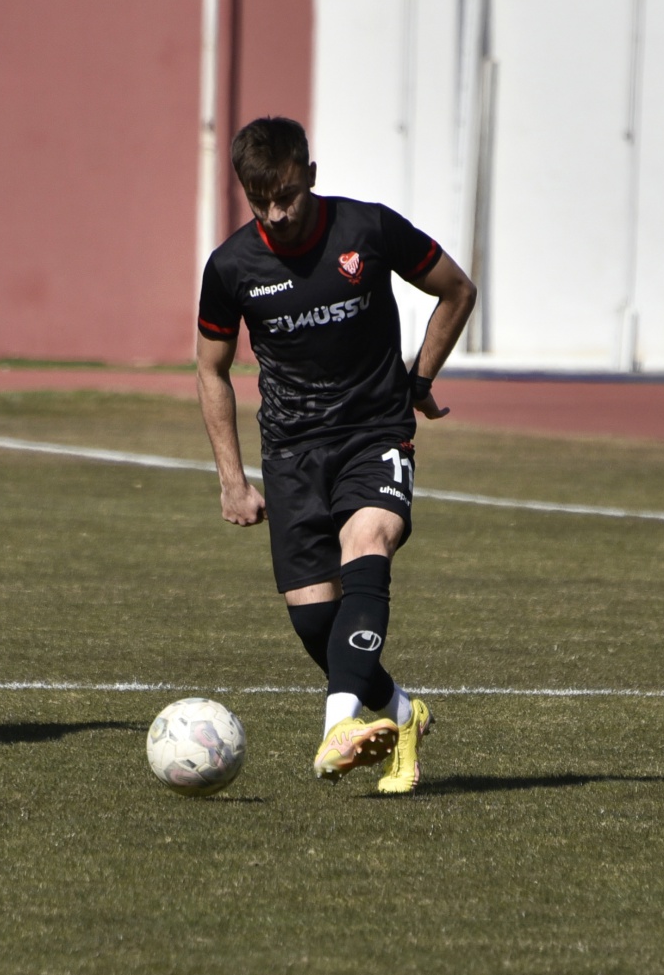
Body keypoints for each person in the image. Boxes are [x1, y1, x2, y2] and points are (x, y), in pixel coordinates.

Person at [195, 116, 477, 793]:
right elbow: (211, 369)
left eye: (288, 194)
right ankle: (404, 715)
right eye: (261, 200)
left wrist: (421, 381)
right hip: (291, 453)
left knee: (369, 544)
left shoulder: (368, 230)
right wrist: (233, 480)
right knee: (317, 620)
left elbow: (456, 288)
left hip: (374, 433)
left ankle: (337, 728)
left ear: (310, 175)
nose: (277, 212)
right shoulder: (231, 267)